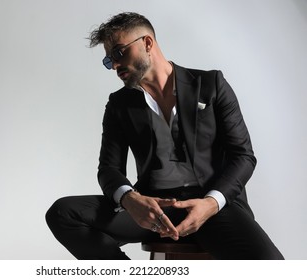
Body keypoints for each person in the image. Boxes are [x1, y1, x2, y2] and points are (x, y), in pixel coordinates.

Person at [46, 12, 284, 260]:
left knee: (273, 266)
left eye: (119, 52)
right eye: (109, 60)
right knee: (63, 213)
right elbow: (108, 169)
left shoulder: (211, 84)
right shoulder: (119, 104)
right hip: (154, 210)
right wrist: (130, 200)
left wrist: (211, 203)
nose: (115, 65)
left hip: (211, 207)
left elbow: (243, 156)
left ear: (147, 43)